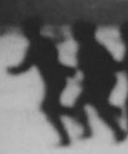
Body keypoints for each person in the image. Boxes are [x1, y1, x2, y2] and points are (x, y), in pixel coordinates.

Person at [6, 16, 76, 146]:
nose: (24, 33)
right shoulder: (45, 42)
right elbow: (53, 61)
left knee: (48, 107)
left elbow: (26, 65)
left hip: (53, 80)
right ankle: (77, 116)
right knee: (52, 107)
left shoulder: (35, 46)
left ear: (30, 30)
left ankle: (67, 136)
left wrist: (14, 70)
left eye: (25, 30)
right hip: (58, 78)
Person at [67, 20, 127, 143]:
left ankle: (117, 131)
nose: (73, 35)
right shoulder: (87, 46)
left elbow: (109, 65)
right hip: (97, 82)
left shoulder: (93, 48)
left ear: (83, 34)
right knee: (92, 106)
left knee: (95, 107)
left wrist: (125, 65)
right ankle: (115, 121)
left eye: (75, 32)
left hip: (101, 82)